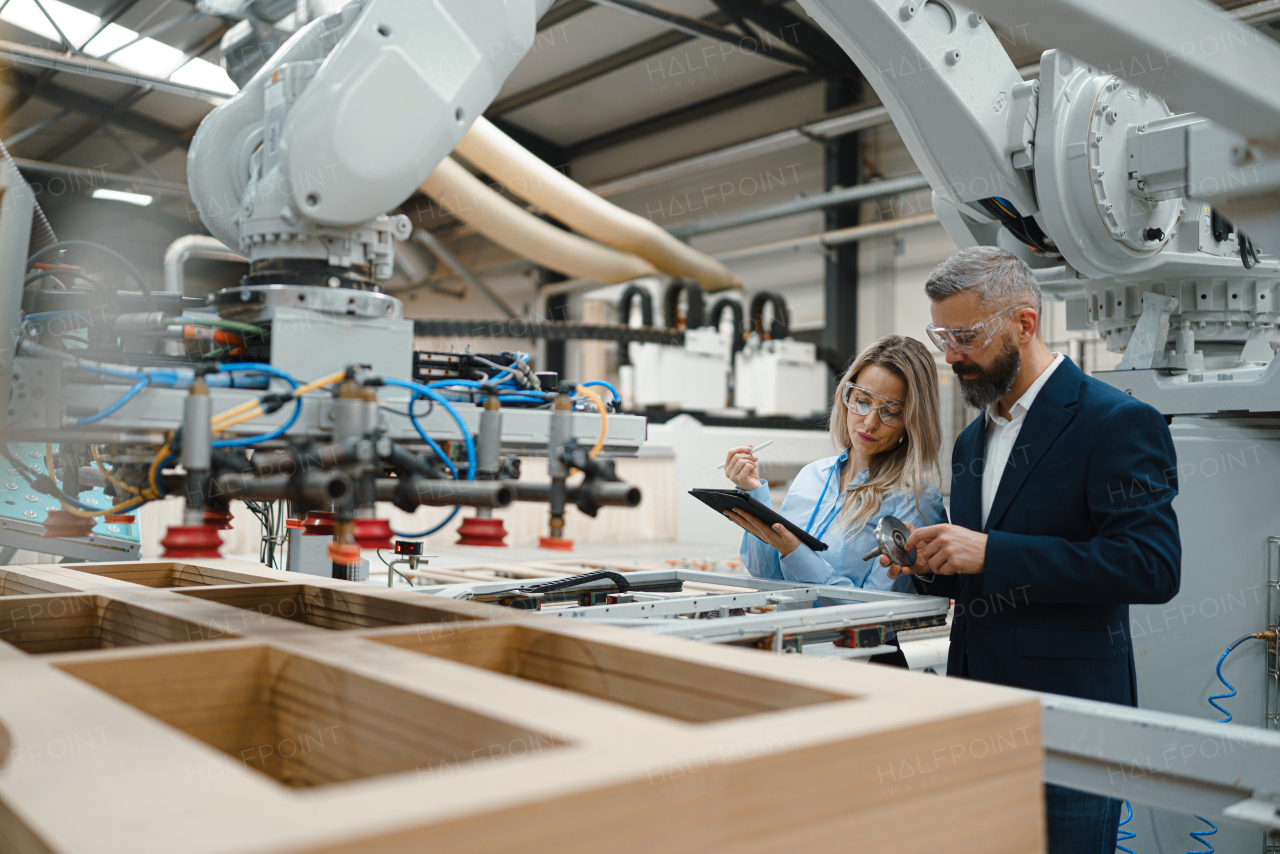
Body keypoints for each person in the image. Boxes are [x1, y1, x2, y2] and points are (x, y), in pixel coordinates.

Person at [880, 246, 1181, 854]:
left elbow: (1150, 566)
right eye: (942, 336)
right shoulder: (972, 440)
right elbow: (978, 568)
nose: (952, 355)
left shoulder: (1115, 422)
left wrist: (992, 552)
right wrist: (929, 565)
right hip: (975, 713)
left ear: (1024, 323)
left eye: (966, 335)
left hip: (1069, 722)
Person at [723, 335, 947, 600]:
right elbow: (766, 578)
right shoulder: (811, 476)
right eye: (862, 401)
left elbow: (879, 613)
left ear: (913, 421)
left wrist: (796, 552)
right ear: (847, 395)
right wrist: (754, 497)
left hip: (856, 643)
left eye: (891, 411)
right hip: (788, 636)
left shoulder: (915, 501)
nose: (870, 422)